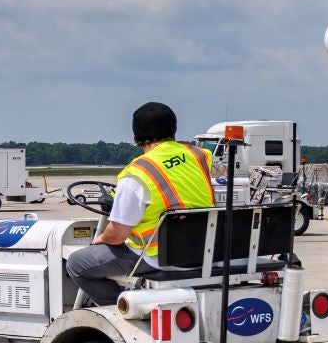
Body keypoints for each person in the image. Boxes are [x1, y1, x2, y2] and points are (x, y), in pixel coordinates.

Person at [65, 102, 217, 306]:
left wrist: (99, 238)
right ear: (173, 129)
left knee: (77, 263)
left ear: (137, 137)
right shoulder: (199, 156)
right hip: (204, 250)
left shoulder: (137, 173)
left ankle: (121, 309)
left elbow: (117, 234)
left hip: (159, 257)